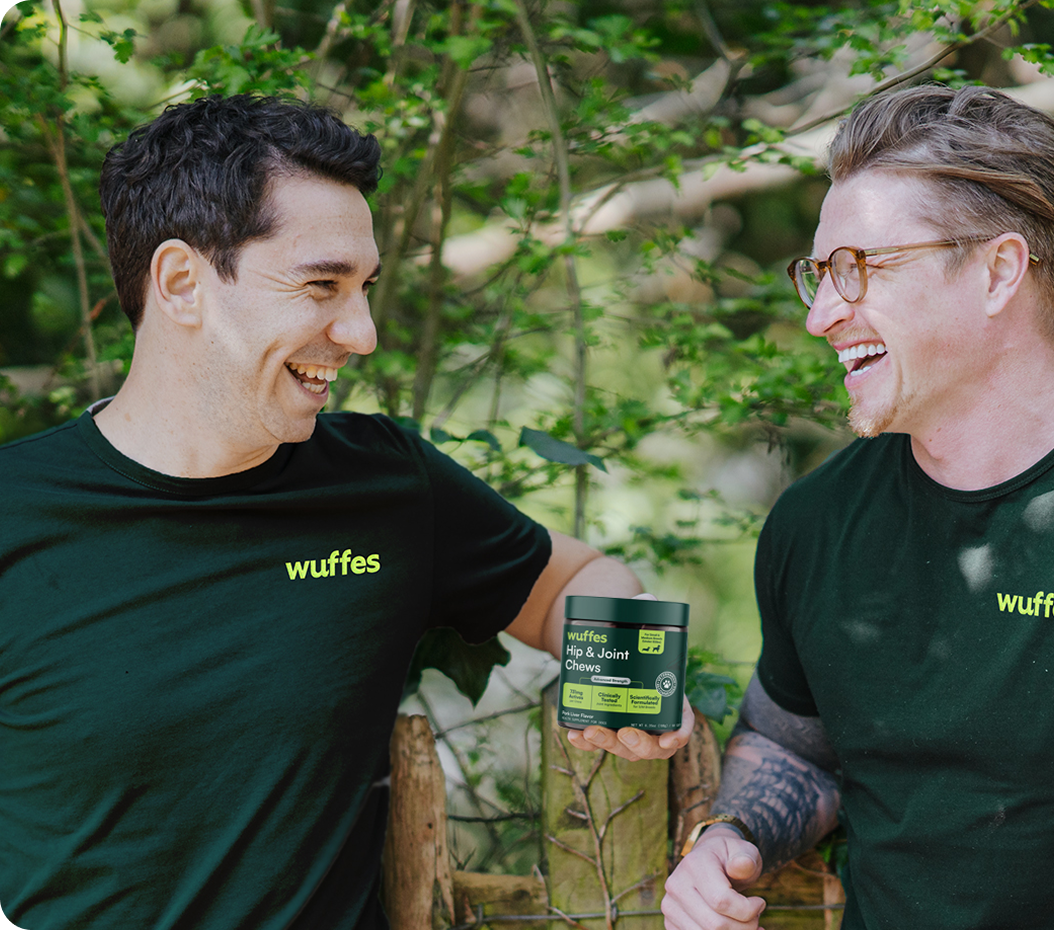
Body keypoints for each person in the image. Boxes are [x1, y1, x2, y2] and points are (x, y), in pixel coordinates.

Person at [0, 94, 690, 930]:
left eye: (363, 288)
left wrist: (626, 685)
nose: (361, 333)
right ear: (183, 283)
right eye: (321, 285)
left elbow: (573, 580)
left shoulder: (386, 485)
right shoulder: (16, 515)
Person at [663, 84, 1054, 930]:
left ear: (998, 272)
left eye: (859, 268)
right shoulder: (817, 520)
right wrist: (732, 835)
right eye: (819, 275)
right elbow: (795, 743)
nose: (822, 316)